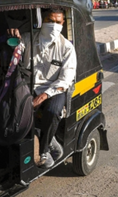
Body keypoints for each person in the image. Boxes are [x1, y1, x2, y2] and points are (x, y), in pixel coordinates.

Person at [7, 9, 77, 169]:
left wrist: (43, 96)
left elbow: (65, 79)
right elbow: (16, 53)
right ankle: (32, 139)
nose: (54, 26)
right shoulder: (28, 38)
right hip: (29, 85)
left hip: (54, 88)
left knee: (53, 112)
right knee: (17, 108)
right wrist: (13, 39)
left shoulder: (66, 47)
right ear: (42, 20)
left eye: (58, 22)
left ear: (63, 23)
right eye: (50, 20)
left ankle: (44, 150)